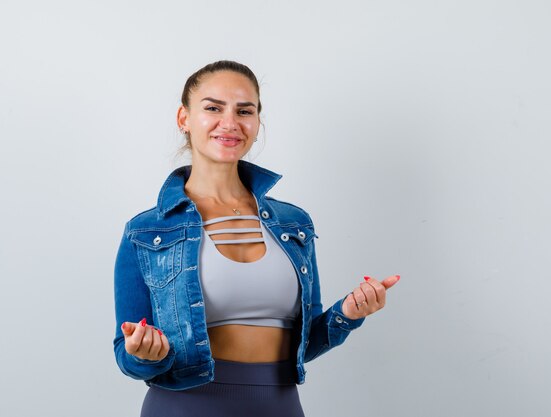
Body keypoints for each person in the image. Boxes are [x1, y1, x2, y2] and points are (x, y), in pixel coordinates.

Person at [113, 60, 400, 417]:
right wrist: (145, 354)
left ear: (257, 122)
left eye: (244, 110)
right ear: (184, 118)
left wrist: (348, 313)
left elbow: (305, 342)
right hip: (184, 407)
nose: (230, 122)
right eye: (213, 108)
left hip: (279, 405)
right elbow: (126, 356)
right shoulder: (146, 232)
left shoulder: (293, 224)